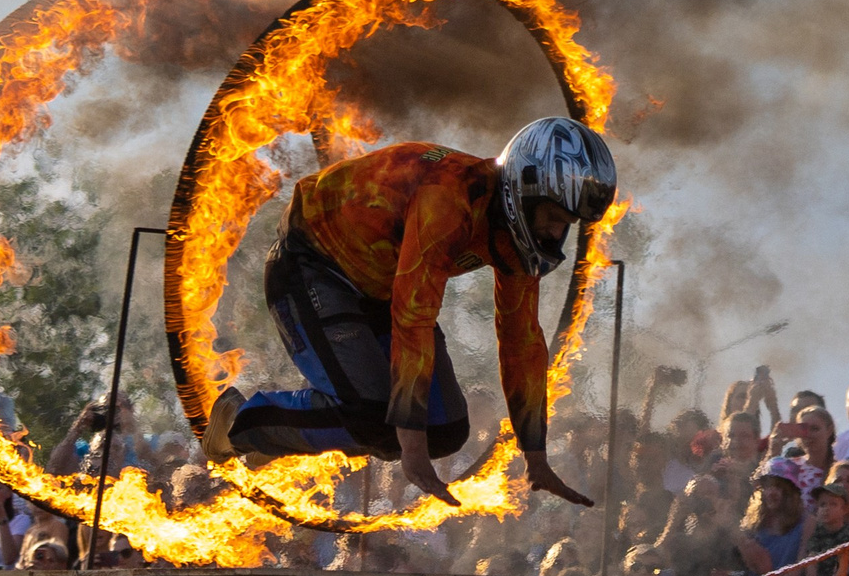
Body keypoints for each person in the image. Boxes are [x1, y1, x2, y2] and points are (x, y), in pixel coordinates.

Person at [201, 117, 610, 508]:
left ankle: (278, 435)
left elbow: (521, 341)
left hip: (383, 285)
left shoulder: (517, 240)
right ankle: (242, 422)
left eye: (567, 223)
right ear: (525, 191)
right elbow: (413, 318)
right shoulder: (448, 199)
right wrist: (411, 452)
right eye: (554, 218)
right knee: (378, 420)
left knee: (446, 429)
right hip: (312, 265)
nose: (556, 234)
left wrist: (534, 455)